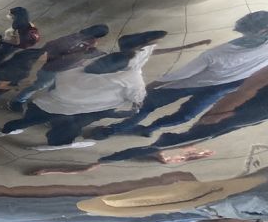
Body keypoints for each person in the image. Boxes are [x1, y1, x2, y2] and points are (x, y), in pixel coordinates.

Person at [93, 11, 268, 139]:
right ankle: (112, 130)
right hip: (187, 84)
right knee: (146, 105)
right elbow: (181, 75)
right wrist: (151, 86)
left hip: (221, 88)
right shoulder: (216, 55)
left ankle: (152, 127)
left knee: (186, 116)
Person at [0, 52, 146, 150]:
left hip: (44, 104)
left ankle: (5, 131)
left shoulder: (73, 70)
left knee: (26, 121)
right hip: (72, 110)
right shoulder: (130, 78)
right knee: (68, 129)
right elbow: (137, 97)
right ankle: (55, 144)